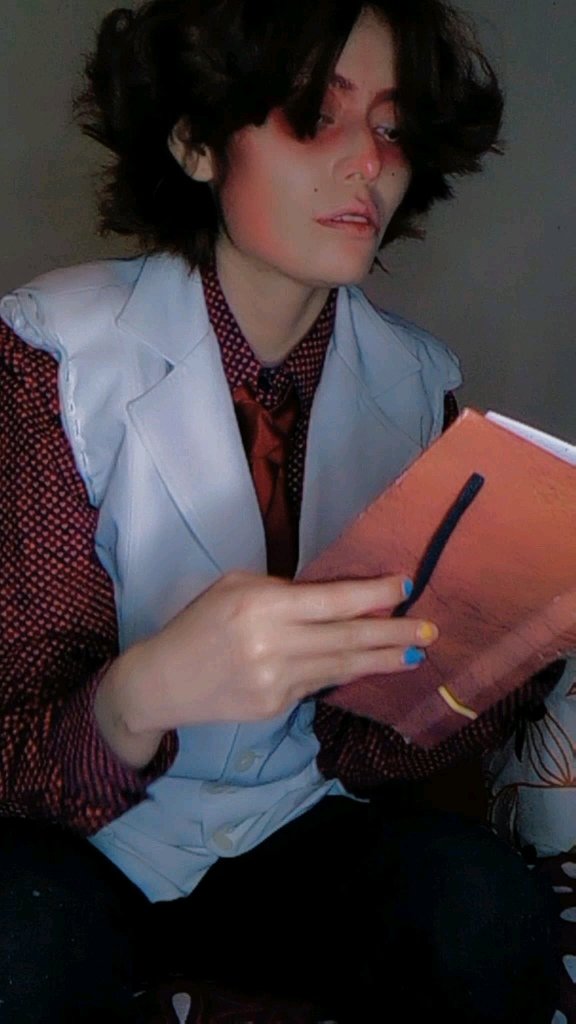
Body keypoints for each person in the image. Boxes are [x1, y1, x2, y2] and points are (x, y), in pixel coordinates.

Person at [0, 1, 560, 1021]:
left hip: (292, 829)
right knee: (18, 945)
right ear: (195, 142)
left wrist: (515, 641)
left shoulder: (419, 388)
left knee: (483, 908)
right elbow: (19, 759)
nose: (369, 164)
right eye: (316, 117)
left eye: (392, 127)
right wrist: (140, 693)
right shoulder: (52, 355)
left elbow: (365, 748)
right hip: (78, 844)